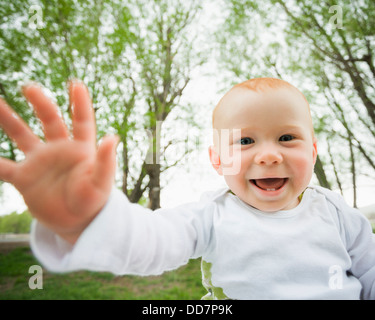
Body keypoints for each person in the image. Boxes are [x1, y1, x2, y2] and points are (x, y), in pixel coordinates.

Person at [0, 78, 374, 299]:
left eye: (287, 137)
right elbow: (154, 240)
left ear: (312, 150)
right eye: (244, 142)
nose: (269, 155)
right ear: (216, 161)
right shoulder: (210, 215)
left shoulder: (338, 214)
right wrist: (88, 218)